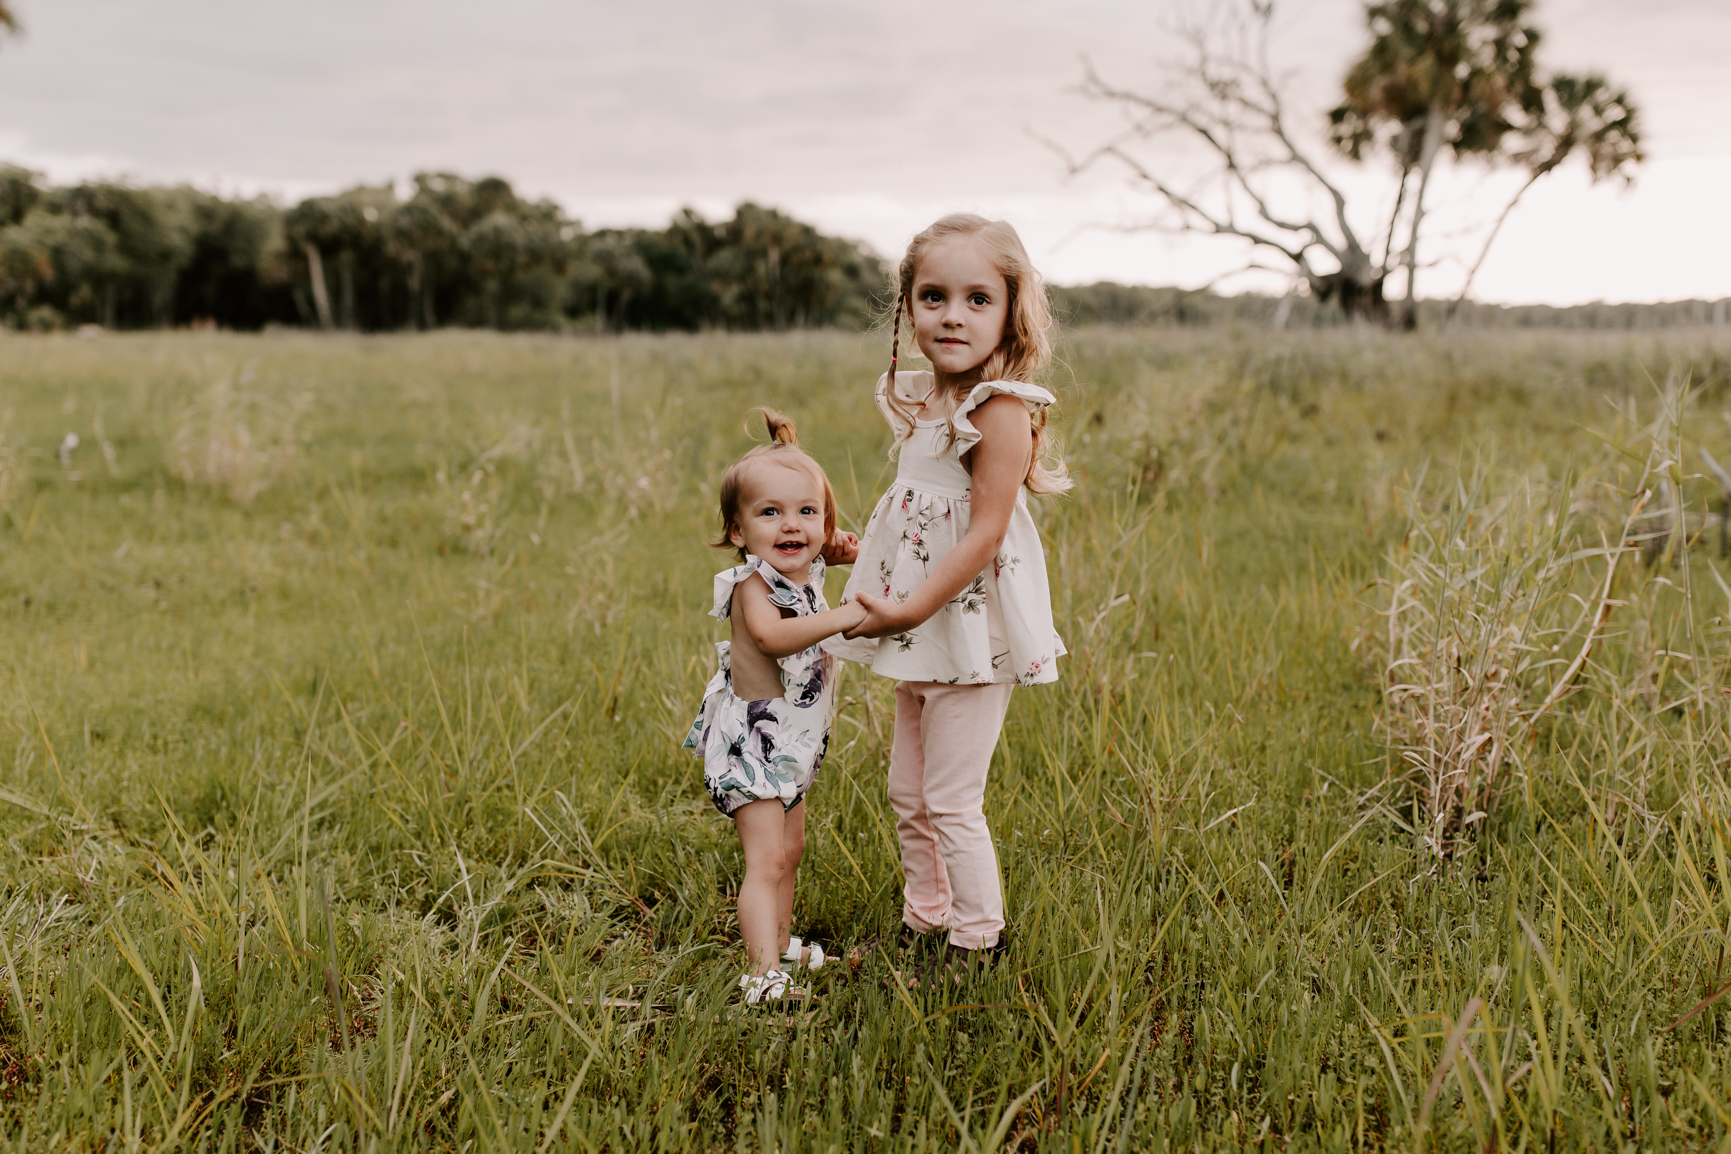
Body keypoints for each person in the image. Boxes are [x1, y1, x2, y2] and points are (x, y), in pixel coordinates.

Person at [828, 213, 1070, 974]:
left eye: (977, 299)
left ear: (1010, 311)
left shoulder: (998, 409)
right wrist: (861, 555)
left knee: (952, 799)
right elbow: (919, 517)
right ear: (908, 308)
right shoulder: (921, 400)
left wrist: (907, 608)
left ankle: (978, 939)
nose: (952, 316)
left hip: (967, 634)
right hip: (920, 632)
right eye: (933, 297)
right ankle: (924, 918)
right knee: (908, 792)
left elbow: (983, 533)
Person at [684, 408, 864, 1005]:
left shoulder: (804, 567)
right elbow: (771, 637)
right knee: (765, 861)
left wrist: (840, 551)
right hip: (754, 745)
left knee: (791, 850)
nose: (791, 525)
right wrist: (842, 616)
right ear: (738, 532)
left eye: (807, 512)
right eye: (770, 514)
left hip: (794, 743)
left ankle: (781, 945)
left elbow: (839, 547)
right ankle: (761, 975)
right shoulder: (752, 587)